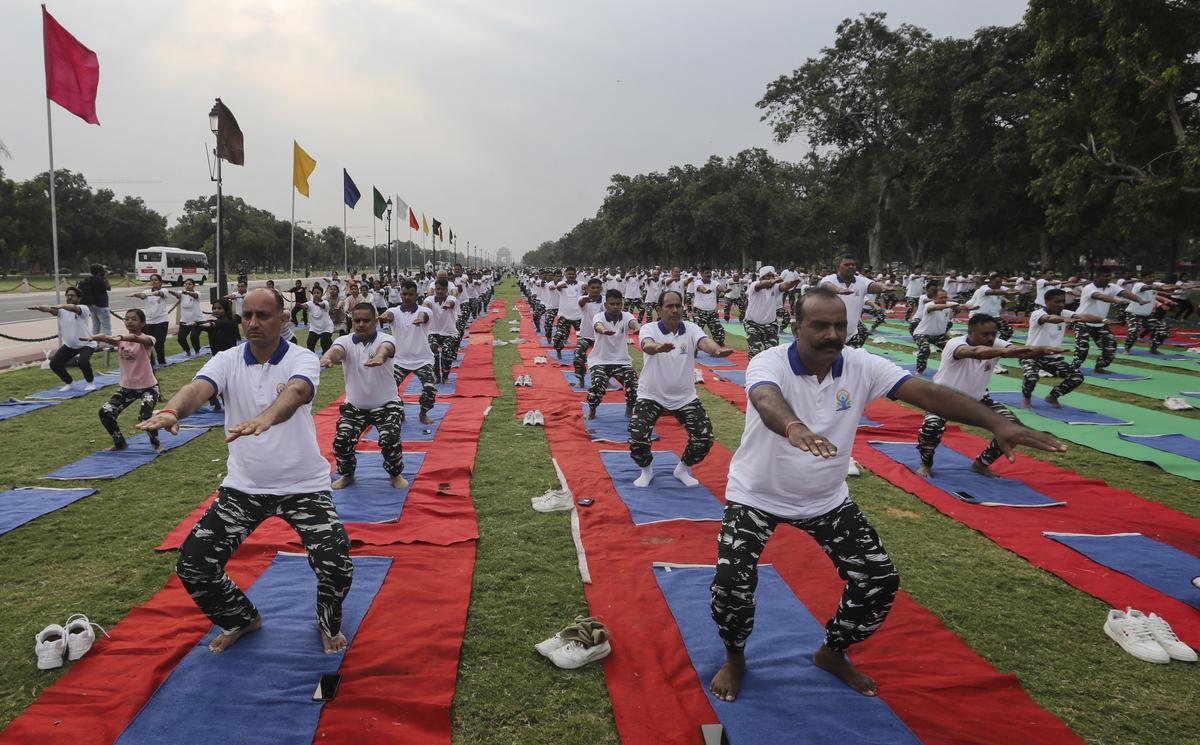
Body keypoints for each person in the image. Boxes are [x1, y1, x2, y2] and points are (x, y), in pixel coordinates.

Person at [708, 288, 1066, 702]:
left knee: (878, 581)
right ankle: (735, 657)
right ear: (796, 327)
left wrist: (995, 423)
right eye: (820, 325)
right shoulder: (769, 361)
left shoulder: (860, 365)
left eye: (840, 325)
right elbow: (765, 398)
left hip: (825, 499)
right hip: (756, 495)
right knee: (731, 585)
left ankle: (832, 651)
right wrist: (794, 427)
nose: (832, 334)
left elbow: (928, 393)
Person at [137, 288, 353, 655]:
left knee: (336, 566)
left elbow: (298, 392)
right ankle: (241, 617)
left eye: (263, 315)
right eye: (247, 315)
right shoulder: (227, 360)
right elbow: (197, 388)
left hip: (304, 488)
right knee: (194, 565)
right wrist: (173, 411)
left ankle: (326, 621)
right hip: (244, 488)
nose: (253, 323)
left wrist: (266, 418)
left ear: (283, 320)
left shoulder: (302, 357)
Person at [917, 313, 1064, 477]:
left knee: (1013, 429)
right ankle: (926, 463)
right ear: (971, 332)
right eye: (985, 334)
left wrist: (1041, 350)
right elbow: (976, 352)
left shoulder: (996, 344)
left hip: (979, 399)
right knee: (931, 427)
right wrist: (1002, 351)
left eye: (994, 334)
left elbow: (1017, 352)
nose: (990, 338)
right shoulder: (955, 343)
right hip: (943, 398)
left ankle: (981, 464)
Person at [630, 290, 733, 488]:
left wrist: (716, 350)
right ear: (659, 309)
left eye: (678, 306)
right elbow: (647, 345)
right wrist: (658, 347)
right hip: (651, 395)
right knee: (638, 438)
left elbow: (705, 342)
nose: (675, 310)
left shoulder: (691, 328)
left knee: (704, 438)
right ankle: (646, 470)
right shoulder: (649, 328)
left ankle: (683, 469)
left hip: (684, 397)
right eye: (669, 306)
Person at [322, 303, 408, 490]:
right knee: (342, 442)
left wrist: (379, 357)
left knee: (390, 439)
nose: (361, 324)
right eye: (357, 320)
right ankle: (347, 474)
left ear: (376, 321)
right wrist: (328, 357)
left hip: (387, 405)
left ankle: (395, 473)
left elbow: (386, 349)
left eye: (366, 320)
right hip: (355, 406)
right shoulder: (344, 341)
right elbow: (336, 351)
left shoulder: (386, 339)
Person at [86, 309, 162, 452]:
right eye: (126, 319)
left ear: (143, 323)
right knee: (105, 413)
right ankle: (120, 443)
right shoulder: (121, 341)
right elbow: (107, 338)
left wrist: (119, 337)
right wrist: (96, 337)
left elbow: (134, 338)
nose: (129, 322)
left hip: (149, 387)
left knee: (144, 417)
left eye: (134, 319)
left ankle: (156, 444)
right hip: (127, 388)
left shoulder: (149, 339)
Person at [1021, 289, 1092, 409]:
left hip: (1052, 358)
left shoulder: (1064, 312)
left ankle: (1052, 397)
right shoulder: (1037, 313)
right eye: (1057, 302)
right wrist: (1066, 319)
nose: (1061, 304)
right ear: (1047, 301)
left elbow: (1082, 316)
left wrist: (1103, 320)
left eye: (1063, 301)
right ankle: (1026, 398)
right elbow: (1049, 319)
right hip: (1031, 355)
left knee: (1076, 377)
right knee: (1031, 376)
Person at [380, 281, 437, 425]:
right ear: (400, 295)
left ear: (416, 295)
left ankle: (423, 413)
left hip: (423, 360)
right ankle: (400, 411)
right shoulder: (394, 311)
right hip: (399, 360)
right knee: (389, 388)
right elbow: (389, 315)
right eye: (404, 294)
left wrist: (421, 319)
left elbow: (425, 315)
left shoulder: (424, 311)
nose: (407, 297)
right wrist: (385, 317)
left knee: (430, 388)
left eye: (410, 294)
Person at [1072, 269, 1147, 372]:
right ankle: (1073, 368)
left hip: (1100, 323)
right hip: (1082, 321)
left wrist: (1139, 300)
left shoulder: (1112, 287)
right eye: (1105, 276)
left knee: (1110, 346)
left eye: (1109, 276)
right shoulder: (1089, 288)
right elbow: (1100, 297)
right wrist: (1116, 300)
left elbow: (1125, 293)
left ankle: (1100, 367)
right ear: (1097, 277)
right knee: (1082, 347)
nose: (1108, 278)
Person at [29, 287, 97, 391]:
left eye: (72, 295)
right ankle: (70, 383)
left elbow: (74, 308)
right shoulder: (62, 311)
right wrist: (39, 307)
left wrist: (62, 305)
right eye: (68, 295)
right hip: (70, 345)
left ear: (79, 298)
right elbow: (49, 309)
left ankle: (91, 383)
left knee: (82, 362)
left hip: (86, 344)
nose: (69, 297)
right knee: (54, 364)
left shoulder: (83, 308)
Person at [586, 289, 640, 418]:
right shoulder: (599, 316)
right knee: (597, 388)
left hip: (622, 361)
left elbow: (633, 323)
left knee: (634, 386)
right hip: (600, 361)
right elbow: (597, 325)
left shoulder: (626, 316)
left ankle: (629, 409)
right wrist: (604, 331)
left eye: (618, 304)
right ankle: (592, 410)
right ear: (605, 305)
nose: (615, 307)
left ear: (622, 304)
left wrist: (638, 328)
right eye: (612, 304)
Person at [820, 255, 892, 348]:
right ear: (838, 267)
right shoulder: (830, 279)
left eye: (853, 264)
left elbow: (873, 284)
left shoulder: (861, 281)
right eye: (847, 264)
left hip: (851, 335)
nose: (851, 266)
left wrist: (884, 287)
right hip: (829, 335)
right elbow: (826, 285)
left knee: (850, 359)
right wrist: (838, 290)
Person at [744, 266, 800, 359]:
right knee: (755, 351)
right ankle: (754, 372)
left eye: (772, 276)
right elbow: (762, 284)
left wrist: (794, 282)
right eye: (768, 276)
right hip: (752, 324)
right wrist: (773, 281)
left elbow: (785, 286)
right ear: (761, 278)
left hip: (770, 325)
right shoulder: (755, 285)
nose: (770, 278)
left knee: (772, 353)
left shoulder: (775, 287)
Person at [910, 288, 958, 376]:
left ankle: (952, 369)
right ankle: (919, 371)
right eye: (941, 298)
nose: (944, 300)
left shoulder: (948, 306)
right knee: (925, 348)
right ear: (934, 298)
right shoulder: (929, 305)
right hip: (922, 334)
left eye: (945, 297)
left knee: (954, 348)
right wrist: (951, 304)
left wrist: (969, 307)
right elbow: (936, 307)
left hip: (938, 335)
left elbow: (961, 307)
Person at [1122, 269, 1169, 355]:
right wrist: (1159, 287)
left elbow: (1168, 286)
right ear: (1143, 278)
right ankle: (1127, 349)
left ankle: (1153, 349)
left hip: (1147, 316)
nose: (1152, 278)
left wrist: (1182, 287)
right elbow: (1149, 287)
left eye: (1153, 276)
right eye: (1150, 277)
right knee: (1134, 331)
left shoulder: (1154, 286)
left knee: (1163, 329)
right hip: (1133, 314)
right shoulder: (1139, 285)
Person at [423, 278, 459, 384]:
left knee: (446, 351)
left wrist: (447, 305)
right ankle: (436, 376)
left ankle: (446, 375)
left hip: (449, 333)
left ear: (446, 290)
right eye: (437, 289)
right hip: (432, 332)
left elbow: (451, 303)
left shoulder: (451, 298)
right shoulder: (429, 299)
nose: (439, 291)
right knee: (433, 350)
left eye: (442, 289)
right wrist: (425, 311)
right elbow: (425, 306)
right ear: (435, 289)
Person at [573, 278, 605, 387]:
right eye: (593, 288)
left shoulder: (606, 301)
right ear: (588, 289)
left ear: (601, 289)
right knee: (578, 357)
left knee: (605, 360)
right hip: (585, 335)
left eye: (597, 288)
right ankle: (581, 380)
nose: (595, 290)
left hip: (601, 337)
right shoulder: (583, 299)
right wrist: (586, 300)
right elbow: (581, 302)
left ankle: (607, 381)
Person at [132, 274, 170, 365]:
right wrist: (135, 294)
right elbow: (142, 295)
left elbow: (159, 293)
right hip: (149, 321)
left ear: (160, 282)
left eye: (156, 280)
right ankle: (150, 363)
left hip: (161, 321)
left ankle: (161, 362)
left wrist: (151, 294)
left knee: (159, 343)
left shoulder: (164, 290)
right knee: (148, 343)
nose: (153, 281)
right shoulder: (147, 291)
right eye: (152, 280)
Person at [690, 266, 727, 345]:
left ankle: (716, 350)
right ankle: (693, 350)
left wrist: (725, 290)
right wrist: (705, 291)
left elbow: (719, 287)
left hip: (712, 313)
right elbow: (701, 288)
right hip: (699, 313)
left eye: (710, 273)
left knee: (720, 334)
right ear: (701, 274)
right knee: (696, 334)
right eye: (706, 273)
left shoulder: (714, 282)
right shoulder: (698, 282)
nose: (709, 274)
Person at [170, 278, 204, 357]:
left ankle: (197, 351)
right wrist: (171, 292)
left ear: (193, 285)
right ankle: (187, 351)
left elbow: (195, 296)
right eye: (186, 284)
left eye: (189, 284)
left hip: (197, 321)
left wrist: (187, 293)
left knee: (194, 336)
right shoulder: (181, 293)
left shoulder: (197, 293)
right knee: (181, 338)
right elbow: (177, 295)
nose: (187, 286)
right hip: (184, 321)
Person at [303, 284, 335, 354]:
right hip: (314, 328)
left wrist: (317, 304)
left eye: (318, 293)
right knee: (310, 343)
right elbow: (305, 306)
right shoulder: (310, 303)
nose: (316, 294)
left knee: (324, 342)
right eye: (314, 293)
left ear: (322, 294)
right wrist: (300, 305)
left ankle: (328, 355)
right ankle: (311, 358)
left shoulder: (325, 302)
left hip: (326, 328)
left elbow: (323, 306)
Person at [83, 263, 112, 337]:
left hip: (93, 305)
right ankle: (110, 344)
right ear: (99, 271)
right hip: (102, 305)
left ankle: (95, 344)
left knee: (96, 325)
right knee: (106, 326)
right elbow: (108, 287)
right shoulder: (99, 279)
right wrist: (105, 277)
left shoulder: (90, 279)